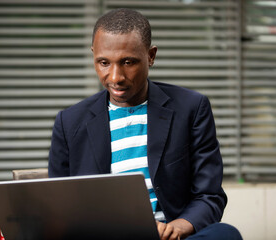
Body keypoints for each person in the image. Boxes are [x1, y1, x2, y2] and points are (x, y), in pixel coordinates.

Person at [49, 8, 242, 240]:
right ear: (93, 55)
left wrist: (179, 226)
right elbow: (58, 208)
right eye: (103, 62)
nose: (115, 77)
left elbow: (209, 195)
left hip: (171, 235)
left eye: (128, 62)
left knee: (225, 234)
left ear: (151, 56)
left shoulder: (191, 108)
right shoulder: (69, 122)